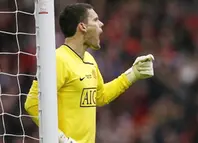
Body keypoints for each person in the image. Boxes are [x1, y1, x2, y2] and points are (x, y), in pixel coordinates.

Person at [25, 3, 154, 143]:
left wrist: (133, 74)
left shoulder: (89, 60)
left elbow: (100, 96)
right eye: (95, 20)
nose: (101, 24)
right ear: (82, 26)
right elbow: (32, 104)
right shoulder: (58, 59)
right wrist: (62, 139)